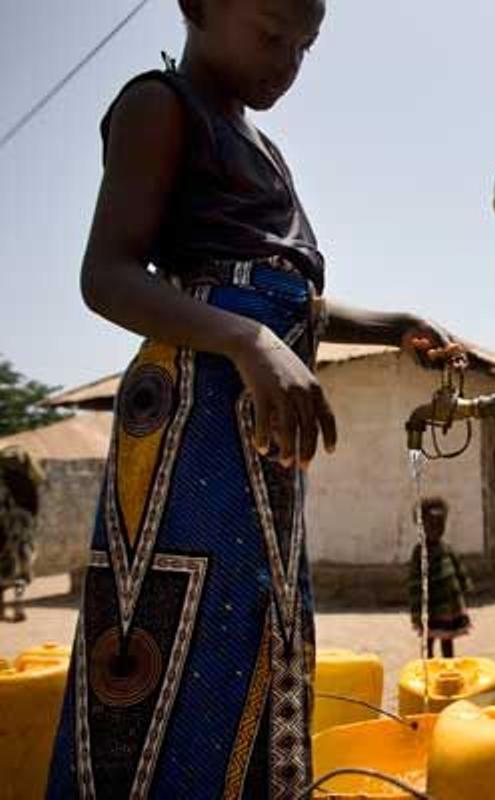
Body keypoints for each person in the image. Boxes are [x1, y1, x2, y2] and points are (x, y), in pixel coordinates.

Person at [47, 1, 460, 795]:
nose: (287, 63)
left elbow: (284, 298)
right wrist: (247, 341)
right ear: (197, 6)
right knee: (170, 640)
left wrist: (391, 324)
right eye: (272, 35)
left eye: (304, 47)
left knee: (251, 630)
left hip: (252, 427)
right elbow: (107, 275)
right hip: (191, 424)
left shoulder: (262, 148)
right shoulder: (158, 106)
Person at [409, 498, 473, 658]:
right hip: (431, 606)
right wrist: (417, 609)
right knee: (429, 637)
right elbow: (415, 582)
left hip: (449, 606)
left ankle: (449, 664)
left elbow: (458, 568)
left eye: (440, 526)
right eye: (432, 526)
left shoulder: (446, 548)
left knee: (447, 637)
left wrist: (465, 585)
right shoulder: (420, 552)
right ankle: (429, 663)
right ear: (422, 527)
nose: (437, 530)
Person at [0, 446, 41, 623]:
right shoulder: (29, 480)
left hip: (12, 530)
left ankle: (12, 609)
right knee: (19, 573)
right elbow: (34, 509)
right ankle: (17, 607)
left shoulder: (9, 479)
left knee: (15, 573)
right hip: (17, 531)